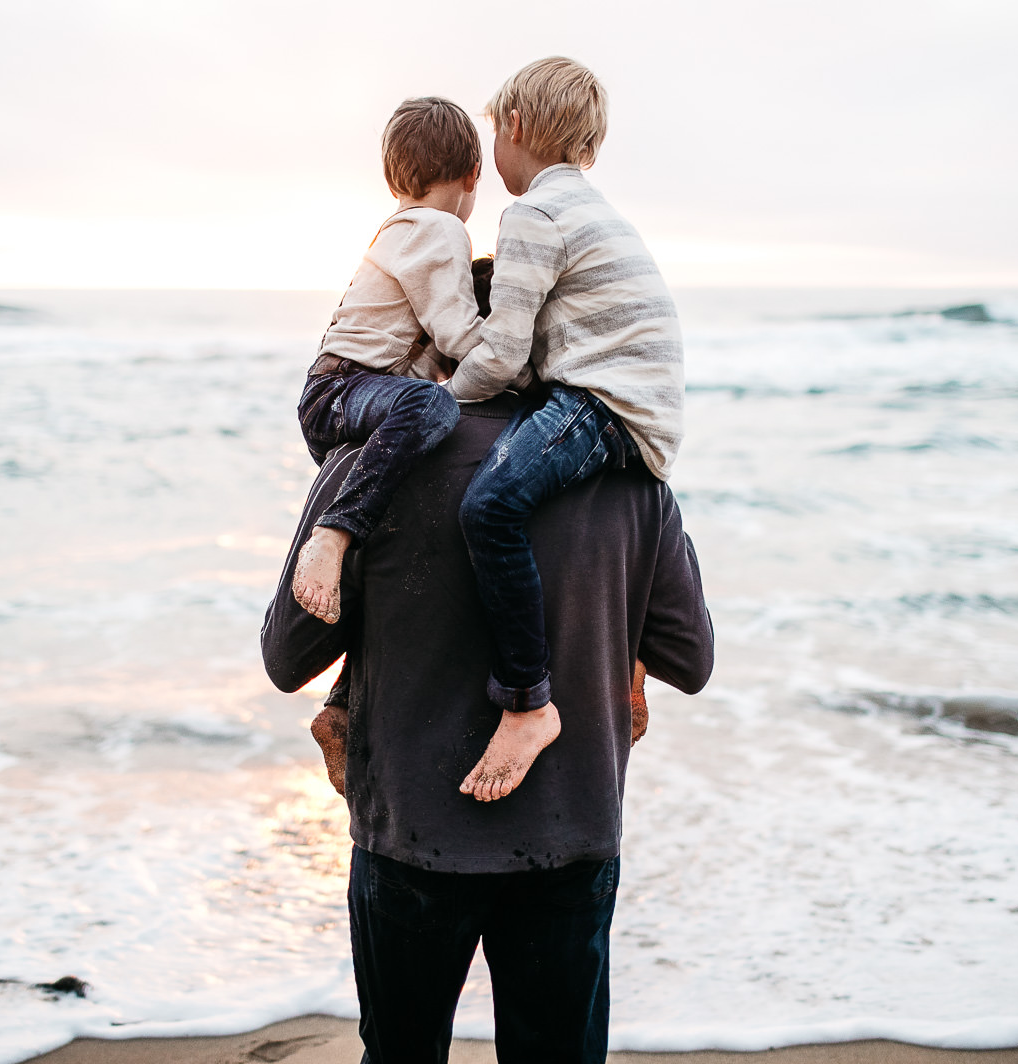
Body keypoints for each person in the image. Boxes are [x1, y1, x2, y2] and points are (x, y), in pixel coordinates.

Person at [261, 390, 712, 1063]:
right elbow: (691, 658)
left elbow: (287, 656)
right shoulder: (627, 470)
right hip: (571, 829)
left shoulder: (371, 463)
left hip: (409, 832)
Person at [445, 57, 687, 802]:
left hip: (603, 402)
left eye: (494, 131)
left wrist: (439, 397)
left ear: (513, 125)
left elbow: (505, 350)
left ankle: (528, 703)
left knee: (489, 505)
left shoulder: (534, 215)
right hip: (635, 405)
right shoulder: (595, 212)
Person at [290, 96, 488, 627]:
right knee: (432, 408)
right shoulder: (439, 229)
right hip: (348, 390)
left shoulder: (399, 227)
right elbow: (461, 337)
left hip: (339, 394)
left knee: (399, 510)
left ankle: (344, 679)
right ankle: (332, 534)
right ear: (474, 174)